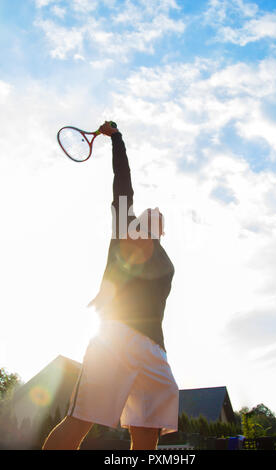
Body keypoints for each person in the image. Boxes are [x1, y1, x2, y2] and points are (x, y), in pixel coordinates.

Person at [42, 121, 179, 450]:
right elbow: (123, 182)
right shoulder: (124, 231)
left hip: (154, 350)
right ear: (139, 218)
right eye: (148, 211)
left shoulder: (163, 257)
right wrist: (117, 139)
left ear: (161, 229)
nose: (154, 211)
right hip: (114, 337)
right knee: (81, 420)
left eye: (159, 215)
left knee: (147, 431)